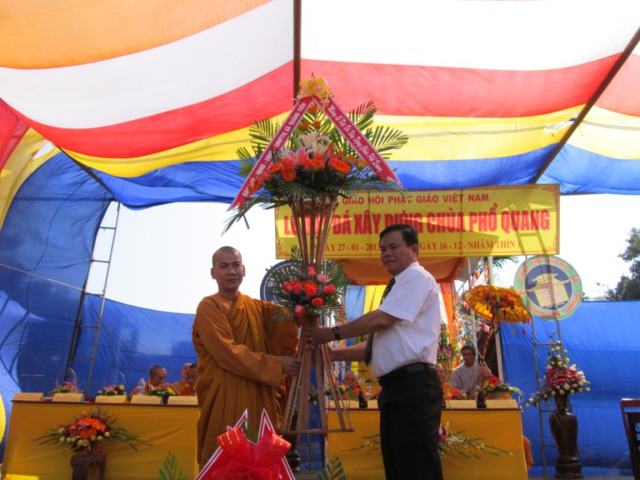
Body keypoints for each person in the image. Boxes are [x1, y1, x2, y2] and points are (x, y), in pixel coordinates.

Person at [307, 224, 443, 480]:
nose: (386, 254)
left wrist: (333, 333)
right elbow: (377, 345)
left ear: (414, 249)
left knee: (416, 469)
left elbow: (381, 320)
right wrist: (333, 355)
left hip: (413, 387)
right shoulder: (398, 286)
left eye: (393, 247)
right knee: (400, 468)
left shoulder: (416, 277)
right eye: (382, 249)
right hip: (398, 389)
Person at [192, 246, 300, 470]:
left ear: (244, 270)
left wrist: (309, 299)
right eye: (224, 266)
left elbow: (289, 319)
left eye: (236, 265)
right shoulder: (208, 306)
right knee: (224, 463)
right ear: (213, 272)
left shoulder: (258, 308)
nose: (231, 271)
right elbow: (227, 353)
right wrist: (277, 364)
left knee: (260, 462)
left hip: (258, 397)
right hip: (224, 395)